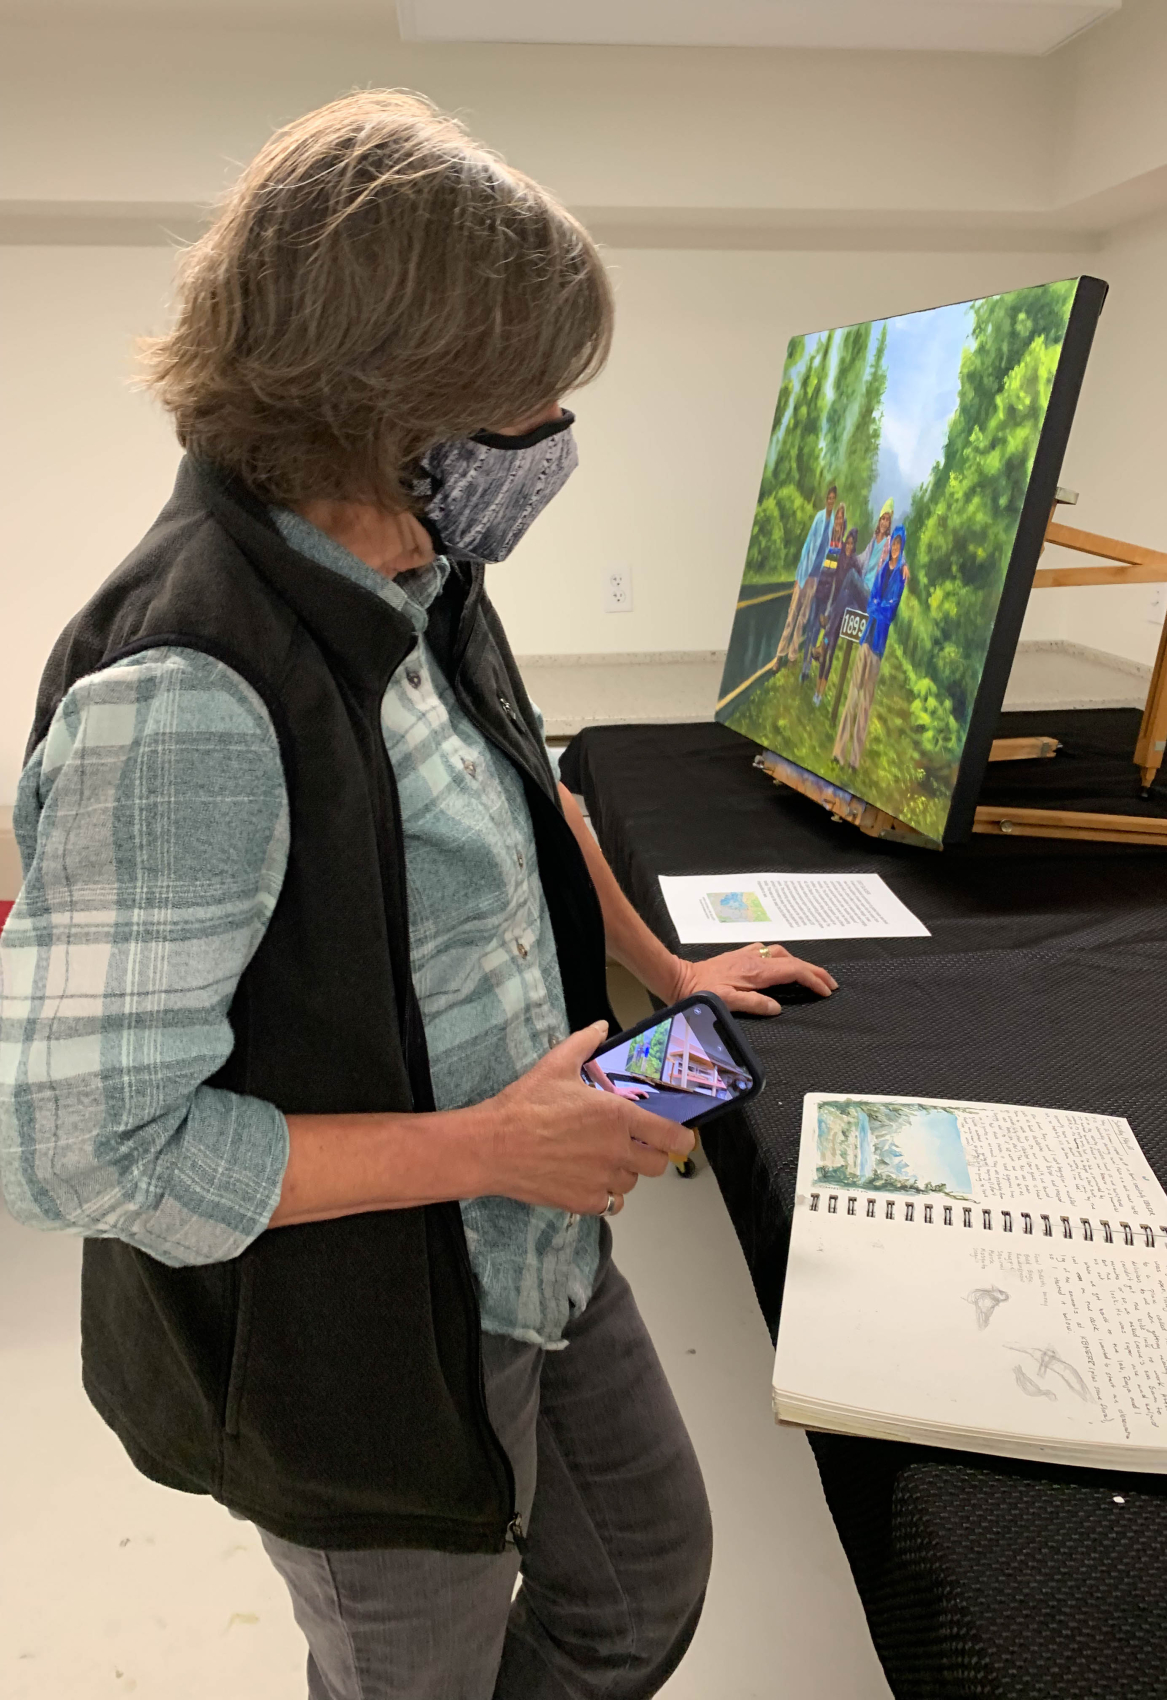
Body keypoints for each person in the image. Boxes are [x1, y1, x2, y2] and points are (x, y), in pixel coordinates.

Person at [0, 92, 838, 1700]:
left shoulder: (417, 563)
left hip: (523, 1241)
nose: (551, 435)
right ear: (387, 403)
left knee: (638, 1587)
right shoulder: (186, 690)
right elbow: (75, 1153)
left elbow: (523, 788)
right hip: (353, 1335)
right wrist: (490, 1145)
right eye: (526, 397)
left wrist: (661, 971)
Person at [833, 522, 910, 770]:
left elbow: (890, 609)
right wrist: (877, 607)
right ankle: (839, 752)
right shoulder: (880, 572)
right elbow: (873, 603)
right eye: (894, 543)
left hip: (878, 646)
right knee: (852, 694)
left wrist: (878, 606)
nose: (895, 548)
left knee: (866, 700)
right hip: (867, 639)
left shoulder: (900, 577)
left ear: (902, 547)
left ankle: (854, 760)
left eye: (899, 544)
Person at [776, 482, 837, 666]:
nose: (830, 501)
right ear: (826, 499)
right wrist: (797, 576)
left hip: (815, 578)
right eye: (829, 498)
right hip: (804, 574)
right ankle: (779, 655)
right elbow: (808, 544)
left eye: (833, 499)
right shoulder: (819, 518)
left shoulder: (833, 523)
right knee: (791, 616)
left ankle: (792, 655)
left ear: (834, 502)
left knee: (802, 619)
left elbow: (829, 551)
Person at [814, 525, 867, 703]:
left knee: (830, 649)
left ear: (855, 545)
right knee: (826, 646)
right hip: (834, 610)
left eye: (852, 544)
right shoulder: (838, 560)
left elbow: (852, 592)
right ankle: (817, 690)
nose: (849, 546)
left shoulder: (855, 565)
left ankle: (822, 692)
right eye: (848, 543)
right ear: (845, 542)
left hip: (842, 612)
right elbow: (832, 586)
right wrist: (828, 607)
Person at [800, 505, 847, 684]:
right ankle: (804, 666)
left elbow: (837, 578)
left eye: (842, 519)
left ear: (843, 523)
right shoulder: (827, 540)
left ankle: (809, 666)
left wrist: (829, 607)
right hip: (817, 588)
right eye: (838, 518)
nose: (839, 521)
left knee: (818, 630)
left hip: (827, 596)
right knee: (810, 628)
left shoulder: (841, 547)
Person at [860, 496, 895, 595]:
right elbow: (862, 558)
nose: (884, 522)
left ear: (889, 523)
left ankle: (832, 610)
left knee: (850, 576)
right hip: (863, 582)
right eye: (883, 519)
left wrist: (904, 566)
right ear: (879, 520)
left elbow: (897, 556)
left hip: (871, 590)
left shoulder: (888, 543)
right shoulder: (873, 540)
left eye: (887, 520)